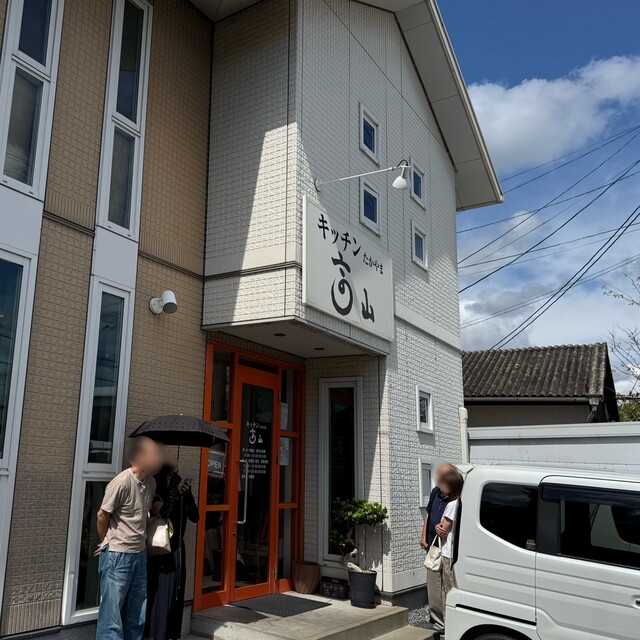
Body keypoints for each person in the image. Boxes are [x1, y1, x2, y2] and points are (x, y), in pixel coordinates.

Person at [96, 436, 164, 640]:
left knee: (137, 615)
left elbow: (147, 508)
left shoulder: (151, 482)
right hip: (118, 555)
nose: (158, 459)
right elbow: (102, 515)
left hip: (139, 554)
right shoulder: (121, 482)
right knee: (112, 618)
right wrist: (105, 541)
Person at [145, 457, 199, 640]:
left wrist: (188, 495)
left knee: (176, 594)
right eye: (169, 476)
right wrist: (175, 492)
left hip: (176, 549)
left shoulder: (179, 490)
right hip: (159, 549)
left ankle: (170, 634)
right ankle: (154, 634)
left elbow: (195, 517)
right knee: (159, 593)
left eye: (174, 474)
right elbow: (164, 512)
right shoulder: (155, 491)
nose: (173, 478)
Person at [420, 463, 455, 631]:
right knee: (433, 585)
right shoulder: (435, 492)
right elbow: (428, 514)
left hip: (449, 550)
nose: (441, 485)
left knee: (447, 587)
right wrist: (423, 536)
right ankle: (437, 621)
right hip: (433, 548)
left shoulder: (456, 498)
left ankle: (447, 623)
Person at [436, 469, 464, 624]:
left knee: (448, 592)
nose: (440, 488)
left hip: (449, 555)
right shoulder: (463, 503)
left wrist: (437, 528)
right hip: (459, 555)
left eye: (443, 484)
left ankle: (449, 626)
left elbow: (443, 531)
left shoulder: (452, 505)